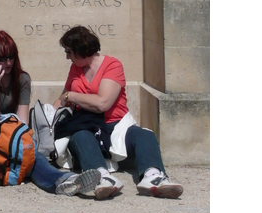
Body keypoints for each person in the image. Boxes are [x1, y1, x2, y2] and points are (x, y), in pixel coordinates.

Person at [0, 30, 100, 200]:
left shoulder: (22, 79)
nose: (8, 62)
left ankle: (66, 181)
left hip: (12, 136)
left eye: (11, 56)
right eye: (2, 58)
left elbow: (22, 121)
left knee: (35, 158)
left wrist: (16, 146)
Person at [54, 26, 184, 200]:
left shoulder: (112, 65)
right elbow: (64, 96)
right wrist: (49, 115)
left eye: (69, 51)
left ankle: (154, 177)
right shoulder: (75, 69)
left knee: (145, 135)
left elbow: (103, 103)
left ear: (80, 49)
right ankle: (101, 177)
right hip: (86, 125)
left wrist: (73, 96)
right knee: (80, 137)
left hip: (116, 125)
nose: (67, 56)